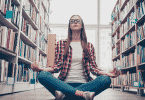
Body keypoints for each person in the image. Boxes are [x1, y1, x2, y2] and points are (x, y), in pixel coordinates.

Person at [31, 15, 120, 100]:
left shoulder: (89, 46)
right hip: (63, 83)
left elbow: (93, 68)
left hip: (85, 84)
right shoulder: (61, 44)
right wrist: (41, 69)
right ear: (69, 26)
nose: (75, 22)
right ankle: (81, 95)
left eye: (78, 21)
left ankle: (65, 95)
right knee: (42, 75)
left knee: (105, 80)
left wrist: (107, 73)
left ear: (82, 25)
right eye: (72, 21)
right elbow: (57, 67)